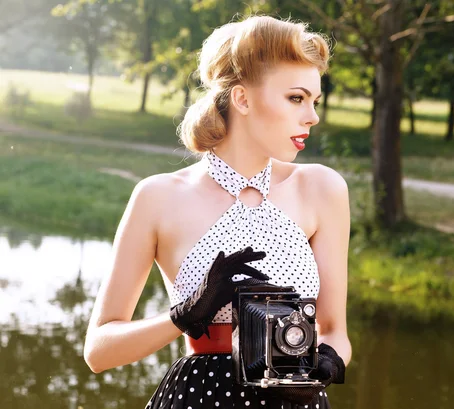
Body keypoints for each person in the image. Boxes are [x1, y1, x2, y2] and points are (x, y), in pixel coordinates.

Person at [83, 14, 352, 409]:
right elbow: (99, 351)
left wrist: (326, 364)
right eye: (296, 97)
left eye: (314, 101)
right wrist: (183, 316)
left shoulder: (322, 188)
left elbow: (335, 333)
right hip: (199, 398)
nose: (311, 115)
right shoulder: (157, 196)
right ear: (242, 98)